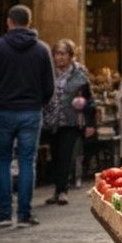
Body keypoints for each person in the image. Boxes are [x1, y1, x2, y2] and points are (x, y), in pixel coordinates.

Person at [0, 4, 55, 227]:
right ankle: (24, 214)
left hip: (2, 111)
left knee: (2, 161)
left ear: (9, 22)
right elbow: (49, 86)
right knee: (27, 161)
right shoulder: (42, 49)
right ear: (29, 22)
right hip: (31, 112)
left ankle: (4, 214)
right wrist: (38, 103)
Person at [42, 40, 96, 205]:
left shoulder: (80, 75)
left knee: (65, 155)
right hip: (51, 121)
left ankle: (63, 190)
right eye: (57, 53)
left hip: (71, 121)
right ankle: (57, 190)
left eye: (63, 54)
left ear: (71, 56)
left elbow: (89, 100)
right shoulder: (49, 73)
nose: (59, 57)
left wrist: (90, 124)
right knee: (55, 155)